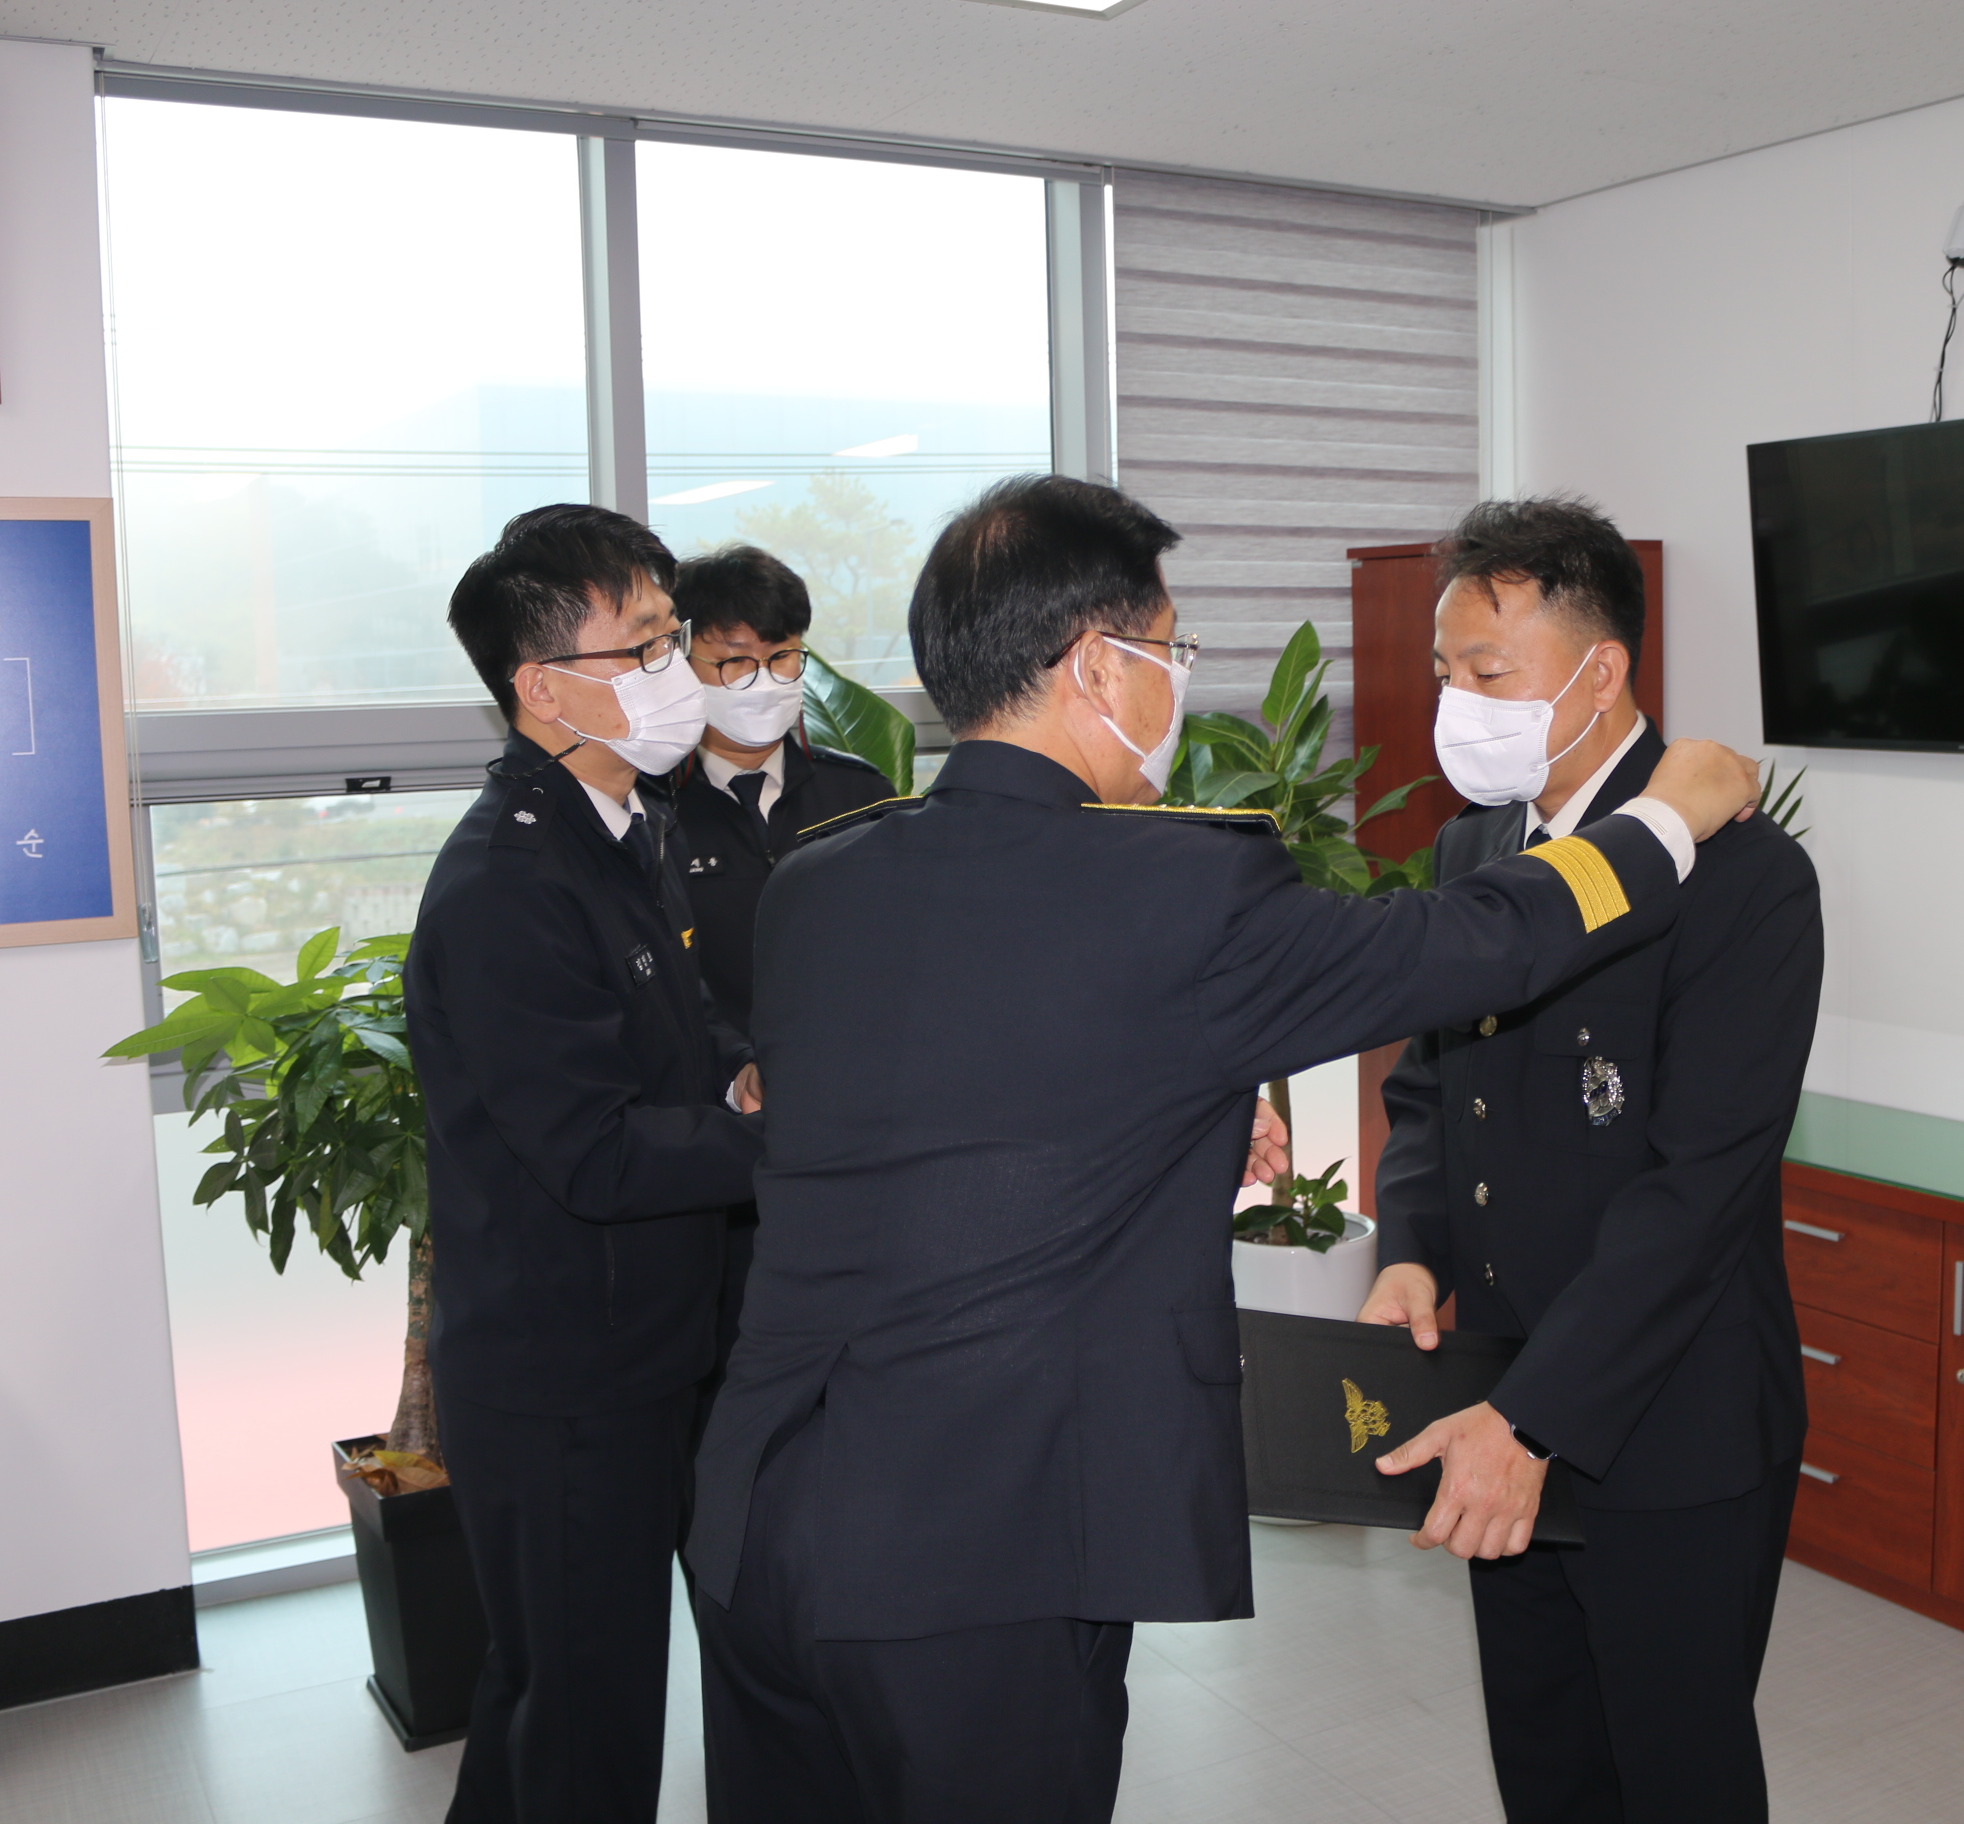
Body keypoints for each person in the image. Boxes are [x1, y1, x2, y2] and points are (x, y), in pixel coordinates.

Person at [682, 472, 1765, 1824]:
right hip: (985, 1556)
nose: (1176, 685)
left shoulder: (820, 879)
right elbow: (1482, 941)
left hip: (759, 1524)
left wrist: (1178, 1105)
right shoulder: (1171, 887)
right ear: (1096, 666)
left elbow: (941, 1104)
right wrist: (1669, 816)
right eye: (1169, 650)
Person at [1356, 496, 1822, 1823]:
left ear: (1600, 670)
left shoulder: (1745, 880)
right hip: (1497, 1395)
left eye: (1488, 672)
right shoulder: (1475, 847)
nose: (1458, 704)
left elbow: (1697, 1194)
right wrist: (1413, 1252)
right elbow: (1431, 1089)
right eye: (1445, 672)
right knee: (1547, 1761)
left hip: (1663, 1429)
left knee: (1675, 1774)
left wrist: (1535, 1420)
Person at [407, 503, 765, 1824]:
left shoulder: (618, 825)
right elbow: (596, 1153)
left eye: (675, 638)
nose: (679, 672)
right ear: (544, 688)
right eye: (648, 647)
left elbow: (684, 1026)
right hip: (564, 1380)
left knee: (555, 1698)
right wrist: (793, 1135)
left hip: (649, 1344)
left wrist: (746, 1074)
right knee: (584, 1722)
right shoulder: (507, 884)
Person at [666, 543, 898, 1040]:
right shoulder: (657, 810)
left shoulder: (861, 795)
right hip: (712, 1075)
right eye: (735, 660)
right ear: (681, 661)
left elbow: (896, 946)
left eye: (781, 656)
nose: (763, 680)